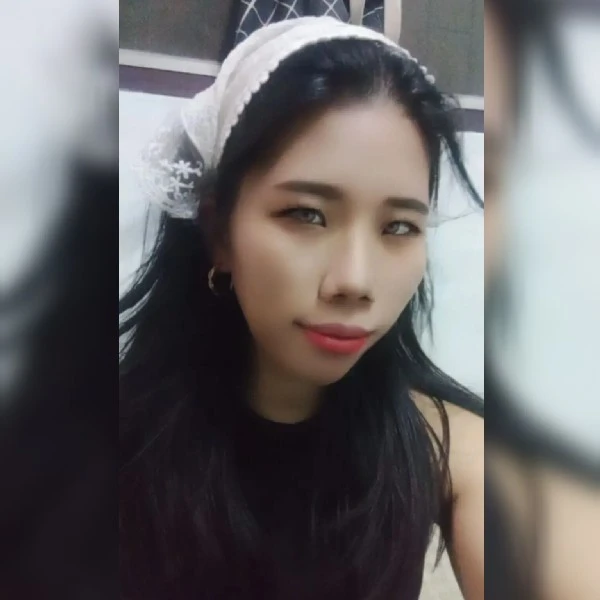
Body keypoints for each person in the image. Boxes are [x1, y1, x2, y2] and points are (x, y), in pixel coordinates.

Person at [119, 17, 484, 600]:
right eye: (306, 214)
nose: (355, 282)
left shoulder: (447, 445)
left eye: (398, 226)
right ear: (219, 232)